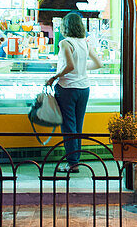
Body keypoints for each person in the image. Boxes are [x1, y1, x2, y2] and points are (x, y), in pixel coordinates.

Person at [44, 12, 103, 172]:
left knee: (69, 126)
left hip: (67, 89)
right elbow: (99, 64)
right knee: (78, 125)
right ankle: (75, 160)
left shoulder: (65, 43)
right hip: (84, 88)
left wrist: (53, 77)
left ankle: (72, 164)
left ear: (65, 26)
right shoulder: (85, 43)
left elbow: (69, 66)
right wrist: (82, 68)